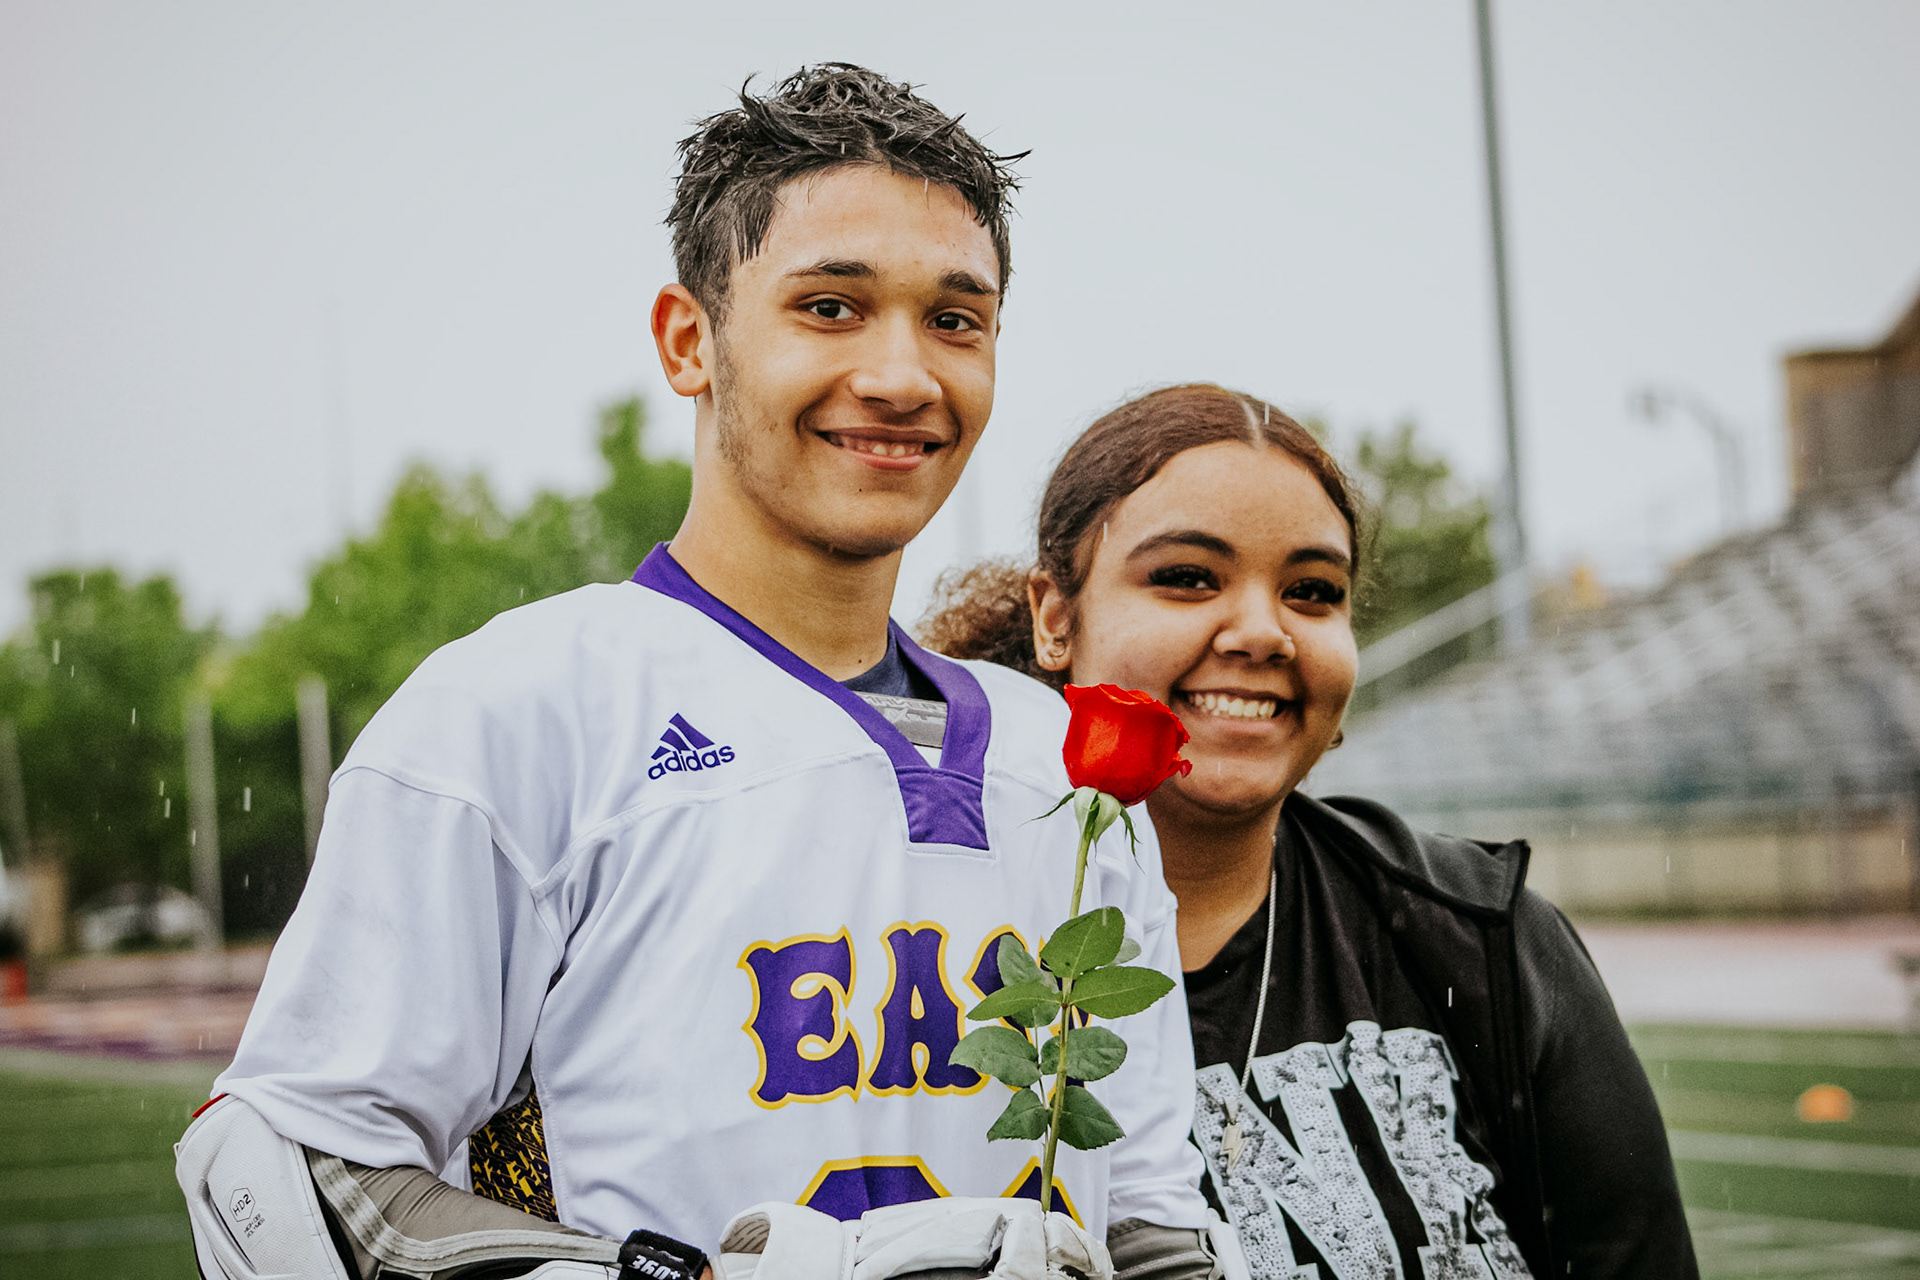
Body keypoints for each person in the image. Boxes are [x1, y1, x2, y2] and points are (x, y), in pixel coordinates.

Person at [175, 67, 1217, 1280]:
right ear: (689, 341)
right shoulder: (519, 710)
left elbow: (1153, 1217)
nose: (903, 376)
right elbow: (290, 1178)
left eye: (955, 319)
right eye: (830, 306)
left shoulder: (1066, 764)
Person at [921, 383, 1699, 1280]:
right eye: (1188, 577)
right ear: (1056, 618)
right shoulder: (923, 936)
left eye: (1312, 592)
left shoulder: (1478, 932)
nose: (1263, 632)